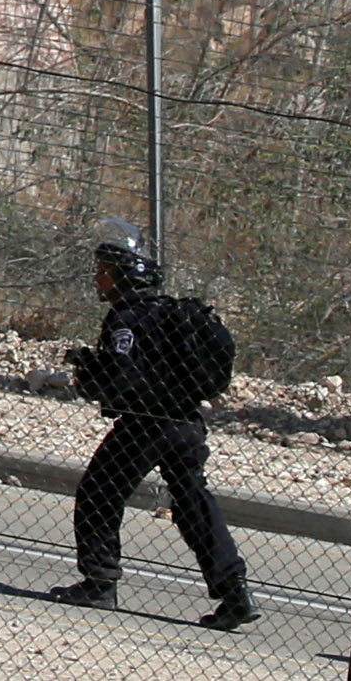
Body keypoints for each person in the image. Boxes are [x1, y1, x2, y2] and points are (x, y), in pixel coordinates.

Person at [47, 222, 252, 628]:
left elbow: (125, 377)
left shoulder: (125, 318)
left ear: (122, 276)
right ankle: (235, 593)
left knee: (99, 492)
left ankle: (99, 582)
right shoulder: (167, 312)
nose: (98, 279)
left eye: (104, 271)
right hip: (187, 426)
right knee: (193, 504)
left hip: (147, 425)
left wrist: (89, 372)